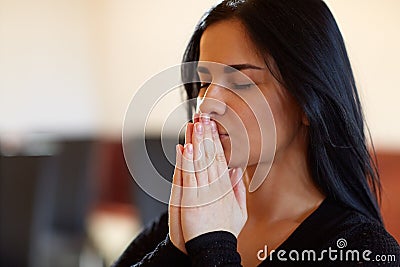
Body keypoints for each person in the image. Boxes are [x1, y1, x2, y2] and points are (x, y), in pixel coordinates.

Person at [113, 0, 400, 266]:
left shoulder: (364, 250)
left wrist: (213, 247)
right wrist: (176, 251)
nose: (206, 103)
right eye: (203, 83)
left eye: (240, 82)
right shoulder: (189, 222)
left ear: (307, 103)